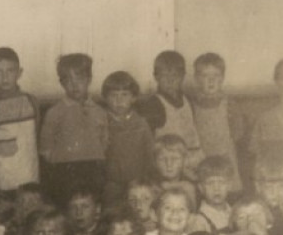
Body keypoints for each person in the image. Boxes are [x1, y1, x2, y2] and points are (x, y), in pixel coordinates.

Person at [39, 52, 107, 206]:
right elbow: (45, 146)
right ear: (62, 83)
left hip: (93, 169)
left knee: (92, 205)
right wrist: (58, 161)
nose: (74, 85)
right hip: (65, 170)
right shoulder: (55, 112)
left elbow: (104, 140)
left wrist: (95, 155)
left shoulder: (99, 111)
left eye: (79, 79)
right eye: (68, 80)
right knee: (67, 206)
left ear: (89, 79)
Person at [0, 47, 40, 192]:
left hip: (30, 177)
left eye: (10, 71)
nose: (5, 77)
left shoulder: (31, 101)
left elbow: (36, 135)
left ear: (19, 73)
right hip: (1, 180)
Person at [137, 50, 203, 170]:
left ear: (183, 76)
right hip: (168, 164)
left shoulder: (188, 100)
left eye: (175, 76)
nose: (170, 80)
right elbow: (146, 141)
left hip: (193, 162)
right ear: (156, 76)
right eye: (165, 76)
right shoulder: (153, 104)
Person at [189, 53, 247, 182]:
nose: (211, 80)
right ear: (197, 79)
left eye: (216, 75)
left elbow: (238, 133)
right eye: (205, 76)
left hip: (225, 158)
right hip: (202, 158)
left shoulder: (230, 104)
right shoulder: (191, 105)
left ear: (222, 78)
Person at [100, 70, 153, 203]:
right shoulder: (100, 122)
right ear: (105, 98)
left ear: (133, 98)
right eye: (113, 95)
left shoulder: (141, 123)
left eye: (124, 95)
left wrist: (147, 178)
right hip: (111, 182)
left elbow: (150, 152)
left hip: (137, 181)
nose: (119, 101)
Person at [193, 156, 237, 234]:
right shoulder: (199, 221)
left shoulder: (235, 212)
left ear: (230, 185)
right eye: (210, 183)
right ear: (201, 188)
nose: (216, 188)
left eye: (221, 182)